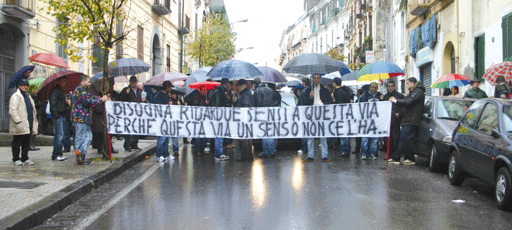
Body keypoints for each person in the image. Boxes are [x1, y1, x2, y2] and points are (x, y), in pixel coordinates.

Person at [71, 75, 109, 165]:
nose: (90, 83)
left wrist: (100, 98)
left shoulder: (83, 90)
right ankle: (80, 154)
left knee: (88, 136)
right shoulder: (80, 90)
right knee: (81, 137)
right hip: (81, 118)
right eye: (88, 81)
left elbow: (91, 97)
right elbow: (88, 100)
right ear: (83, 81)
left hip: (85, 118)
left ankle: (81, 153)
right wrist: (101, 100)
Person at [388, 77, 425, 165]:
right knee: (406, 139)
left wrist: (396, 101)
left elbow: (408, 102)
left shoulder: (418, 92)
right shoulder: (414, 92)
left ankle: (399, 157)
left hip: (412, 119)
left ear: (412, 83)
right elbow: (407, 104)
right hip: (408, 119)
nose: (406, 85)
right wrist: (400, 113)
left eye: (407, 83)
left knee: (404, 138)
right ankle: (406, 157)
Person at [300, 73, 333, 162]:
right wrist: (310, 98)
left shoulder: (325, 90)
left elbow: (330, 103)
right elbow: (303, 104)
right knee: (310, 136)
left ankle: (324, 155)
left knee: (323, 136)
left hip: (322, 115)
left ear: (320, 79)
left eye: (318, 78)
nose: (316, 80)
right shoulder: (307, 90)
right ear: (312, 79)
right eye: (314, 78)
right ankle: (310, 155)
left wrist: (323, 104)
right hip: (311, 115)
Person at [9, 79, 38, 166]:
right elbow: (12, 110)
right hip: (20, 123)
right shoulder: (16, 96)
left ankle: (25, 158)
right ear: (19, 86)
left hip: (28, 122)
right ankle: (16, 158)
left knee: (26, 142)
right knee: (17, 142)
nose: (25, 87)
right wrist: (18, 121)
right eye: (23, 85)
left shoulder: (28, 96)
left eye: (26, 85)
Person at [253, 77, 281, 158]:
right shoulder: (270, 89)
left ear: (255, 84)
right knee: (271, 133)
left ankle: (267, 152)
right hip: (272, 113)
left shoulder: (257, 91)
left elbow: (256, 103)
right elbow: (277, 100)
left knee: (265, 133)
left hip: (263, 114)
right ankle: (272, 150)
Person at [149, 81, 176, 162]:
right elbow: (159, 108)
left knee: (166, 139)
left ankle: (166, 154)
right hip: (161, 120)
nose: (171, 89)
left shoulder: (165, 95)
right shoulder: (160, 95)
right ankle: (159, 155)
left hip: (166, 120)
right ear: (167, 87)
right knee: (162, 138)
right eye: (170, 87)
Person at [118, 75, 146, 151]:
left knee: (136, 129)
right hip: (128, 113)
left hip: (137, 113)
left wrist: (143, 101)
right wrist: (125, 94)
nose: (134, 83)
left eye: (135, 81)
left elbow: (139, 100)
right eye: (132, 82)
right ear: (130, 82)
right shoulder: (126, 90)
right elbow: (120, 100)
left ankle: (134, 144)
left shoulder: (139, 90)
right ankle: (127, 145)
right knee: (128, 129)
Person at [358, 82, 382, 160]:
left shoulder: (380, 96)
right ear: (369, 88)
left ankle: (372, 153)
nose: (374, 89)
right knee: (365, 137)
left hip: (376, 120)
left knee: (375, 138)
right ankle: (364, 153)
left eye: (376, 88)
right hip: (366, 120)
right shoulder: (363, 96)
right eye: (373, 87)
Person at [210, 78, 231, 161]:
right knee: (219, 135)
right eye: (229, 83)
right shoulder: (219, 92)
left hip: (219, 116)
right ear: (225, 84)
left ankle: (219, 153)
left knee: (219, 135)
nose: (230, 85)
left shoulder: (220, 91)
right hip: (219, 117)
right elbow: (218, 105)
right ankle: (219, 154)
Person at [184, 86, 209, 156]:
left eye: (205, 90)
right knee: (198, 135)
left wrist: (207, 103)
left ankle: (203, 148)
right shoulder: (196, 96)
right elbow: (193, 103)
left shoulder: (205, 97)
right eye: (203, 90)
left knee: (204, 135)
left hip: (204, 118)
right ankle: (198, 150)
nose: (205, 92)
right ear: (200, 90)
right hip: (197, 118)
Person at [383, 81, 404, 161]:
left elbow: (404, 106)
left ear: (394, 87)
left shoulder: (400, 96)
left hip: (395, 121)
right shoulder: (385, 96)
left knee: (396, 139)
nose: (390, 88)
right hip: (387, 121)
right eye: (388, 86)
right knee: (388, 139)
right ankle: (389, 155)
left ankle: (396, 156)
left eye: (391, 86)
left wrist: (399, 113)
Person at [234, 79, 255, 161]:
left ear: (243, 85)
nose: (238, 88)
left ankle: (245, 157)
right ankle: (248, 156)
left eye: (239, 86)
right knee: (247, 138)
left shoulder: (245, 95)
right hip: (247, 119)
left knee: (243, 139)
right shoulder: (246, 94)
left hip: (244, 119)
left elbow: (245, 106)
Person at [332, 77, 353, 157]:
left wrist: (335, 100)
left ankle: (345, 149)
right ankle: (346, 148)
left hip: (342, 116)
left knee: (343, 134)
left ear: (335, 83)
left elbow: (339, 104)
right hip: (345, 115)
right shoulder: (345, 91)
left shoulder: (339, 92)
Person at [50, 76, 69, 161]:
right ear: (58, 81)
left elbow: (60, 104)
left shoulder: (61, 91)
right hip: (59, 116)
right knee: (59, 135)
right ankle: (56, 154)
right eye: (62, 81)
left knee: (61, 135)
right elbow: (53, 104)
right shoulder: (55, 91)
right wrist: (56, 116)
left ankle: (59, 153)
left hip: (62, 115)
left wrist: (67, 104)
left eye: (64, 81)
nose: (63, 83)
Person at [297, 78, 310, 155]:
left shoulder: (304, 91)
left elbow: (301, 103)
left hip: (304, 113)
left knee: (304, 132)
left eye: (302, 82)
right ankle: (310, 147)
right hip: (310, 113)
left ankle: (305, 148)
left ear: (304, 83)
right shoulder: (312, 90)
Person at [353, 88, 366, 154]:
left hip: (360, 120)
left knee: (359, 137)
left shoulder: (360, 99)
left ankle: (358, 149)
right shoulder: (360, 99)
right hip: (360, 120)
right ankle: (359, 149)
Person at [28, 84, 41, 151]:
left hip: (37, 114)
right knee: (31, 131)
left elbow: (40, 104)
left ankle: (33, 144)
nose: (34, 91)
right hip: (31, 115)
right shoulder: (29, 97)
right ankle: (30, 145)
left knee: (35, 130)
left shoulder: (36, 96)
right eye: (33, 89)